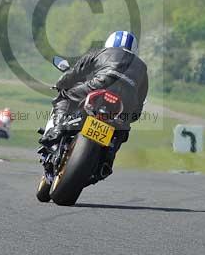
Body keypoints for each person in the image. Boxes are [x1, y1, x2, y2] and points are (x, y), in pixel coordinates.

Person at [39, 30, 148, 176]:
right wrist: (132, 115)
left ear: (109, 43)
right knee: (123, 127)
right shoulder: (142, 67)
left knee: (65, 96)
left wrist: (60, 84)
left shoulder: (101, 52)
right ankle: (108, 159)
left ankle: (56, 131)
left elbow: (75, 72)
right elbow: (139, 102)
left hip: (100, 85)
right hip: (125, 101)